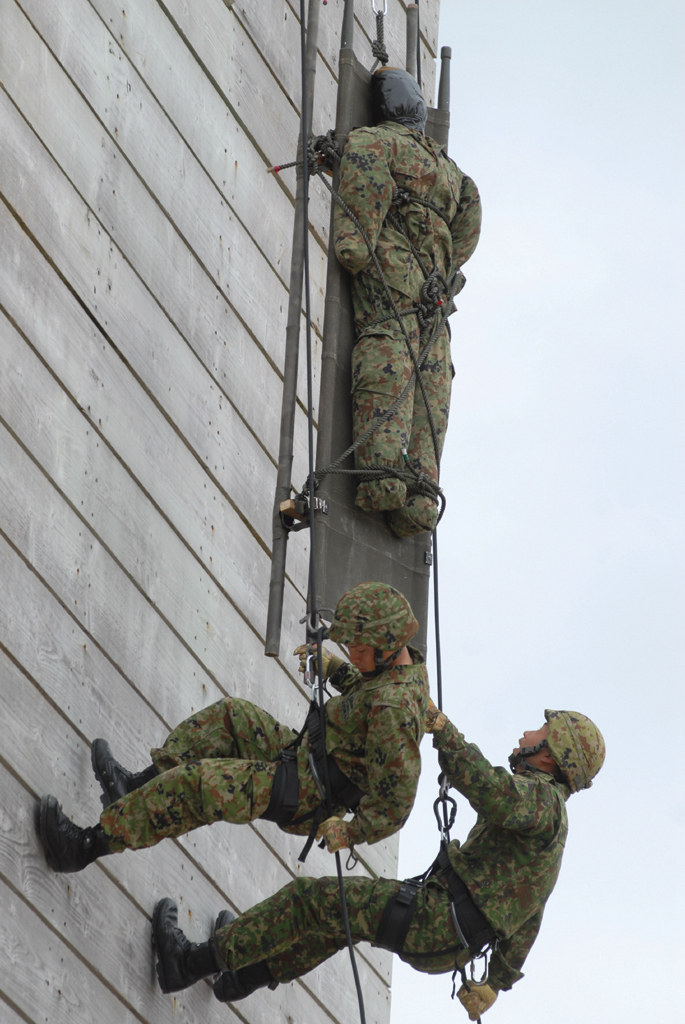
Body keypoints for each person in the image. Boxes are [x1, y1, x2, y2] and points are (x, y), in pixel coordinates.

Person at [148, 707, 605, 1018]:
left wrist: (443, 731)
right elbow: (531, 912)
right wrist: (495, 983)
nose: (526, 734)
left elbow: (490, 789)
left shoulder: (540, 803)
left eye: (538, 734)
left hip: (434, 921)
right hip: (445, 936)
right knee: (336, 922)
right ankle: (240, 976)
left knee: (315, 900)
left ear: (549, 755)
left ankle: (188, 963)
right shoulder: (551, 828)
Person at [38, 582, 430, 872]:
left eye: (359, 651)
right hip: (306, 758)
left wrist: (352, 832)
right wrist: (337, 669)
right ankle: (136, 788)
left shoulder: (397, 710)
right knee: (232, 716)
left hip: (309, 797)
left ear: (387, 647)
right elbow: (366, 700)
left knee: (197, 785)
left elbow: (396, 805)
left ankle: (83, 847)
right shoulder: (394, 673)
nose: (353, 655)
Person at [333, 67, 482, 538]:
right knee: (432, 388)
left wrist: (358, 244)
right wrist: (439, 270)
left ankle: (381, 477)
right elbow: (467, 234)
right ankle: (420, 498)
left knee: (388, 361)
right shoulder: (457, 176)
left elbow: (354, 238)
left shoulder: (374, 143)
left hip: (393, 282)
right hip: (434, 301)